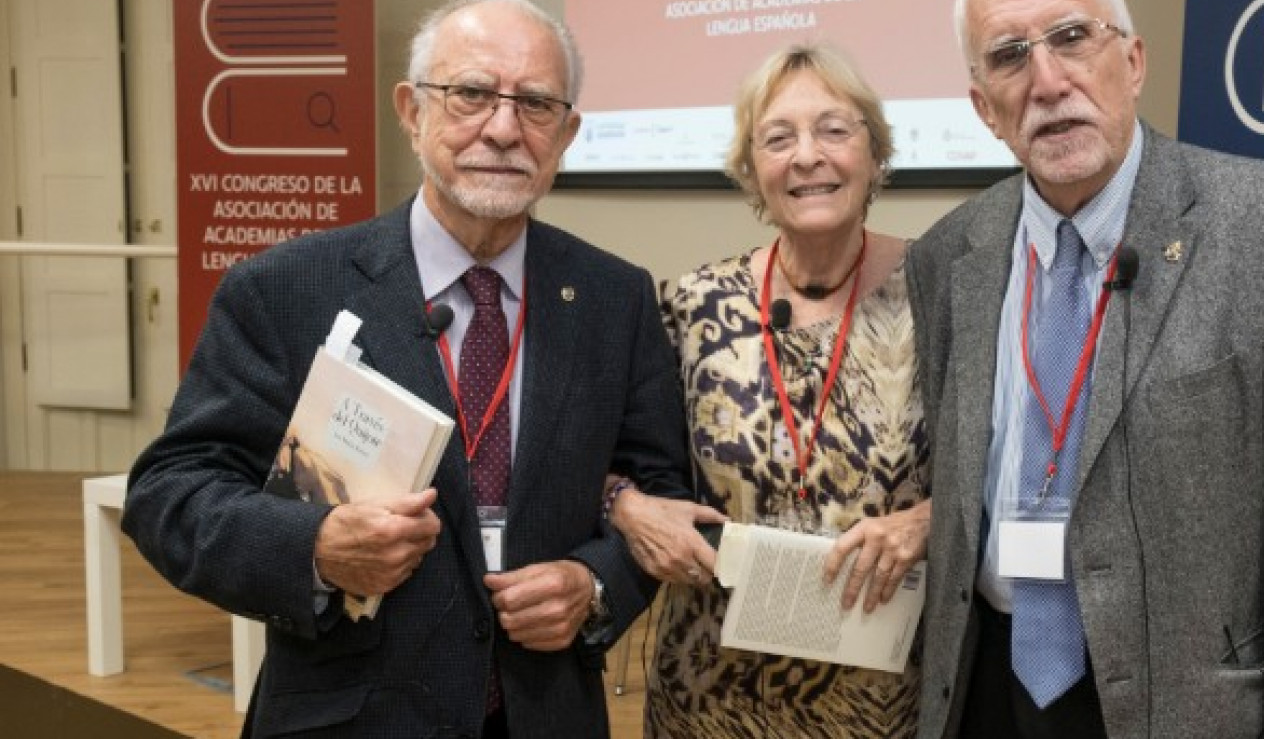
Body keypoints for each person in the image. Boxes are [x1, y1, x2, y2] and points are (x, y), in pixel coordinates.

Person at [122, 1, 689, 736]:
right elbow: (170, 494)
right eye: (471, 93)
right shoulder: (286, 289)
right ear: (412, 112)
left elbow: (661, 490)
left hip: (544, 713)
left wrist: (596, 585)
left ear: (567, 133)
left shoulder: (616, 298)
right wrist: (317, 547)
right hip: (351, 715)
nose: (504, 129)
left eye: (536, 104)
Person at [906, 0, 1264, 736]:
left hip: (1184, 703)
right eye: (1010, 56)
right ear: (985, 108)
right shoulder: (948, 256)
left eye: (1072, 37)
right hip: (987, 687)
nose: (1048, 81)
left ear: (1133, 63)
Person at [604, 43, 931, 738]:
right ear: (752, 168)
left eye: (833, 130)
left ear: (875, 153)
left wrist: (928, 519)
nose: (807, 156)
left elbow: (1003, 467)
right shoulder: (692, 304)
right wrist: (627, 506)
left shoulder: (940, 295)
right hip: (709, 694)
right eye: (778, 138)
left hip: (878, 702)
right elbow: (611, 459)